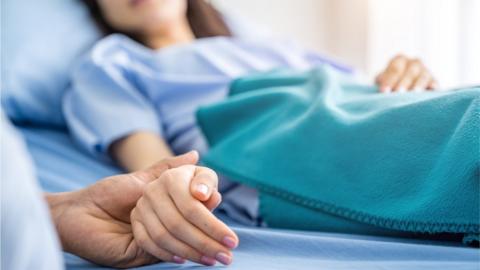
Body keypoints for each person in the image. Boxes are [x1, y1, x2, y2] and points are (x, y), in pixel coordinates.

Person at [62, 0, 439, 266]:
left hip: (371, 113)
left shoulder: (267, 48)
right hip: (284, 145)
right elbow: (156, 171)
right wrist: (172, 190)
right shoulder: (112, 63)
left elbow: (361, 92)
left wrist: (405, 75)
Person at [1, 112, 238, 268]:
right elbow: (162, 169)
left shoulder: (254, 51)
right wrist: (178, 184)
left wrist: (59, 213)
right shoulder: (115, 63)